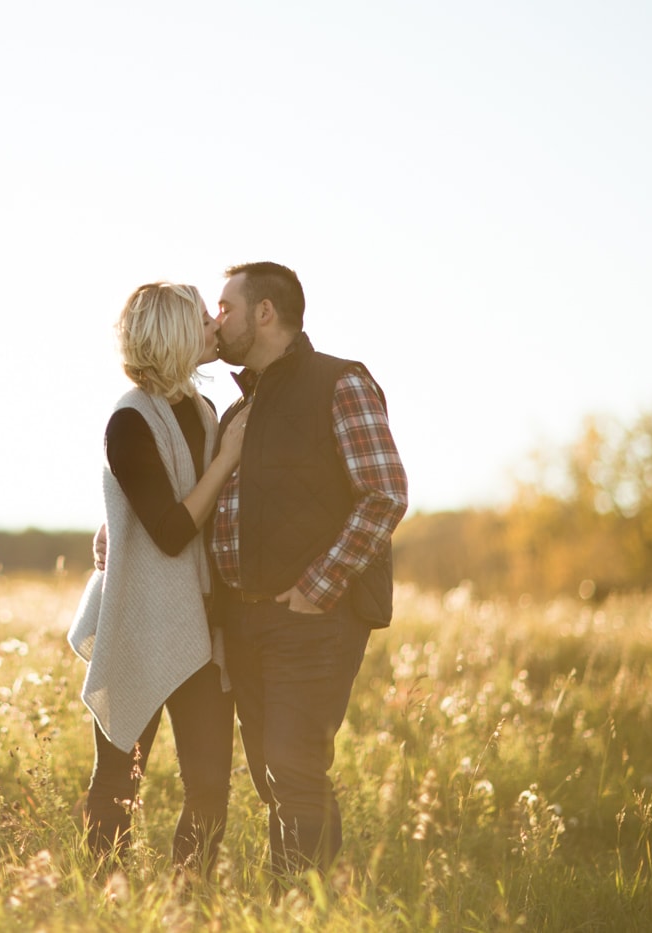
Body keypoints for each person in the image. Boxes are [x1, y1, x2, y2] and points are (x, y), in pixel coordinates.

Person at [209, 261, 408, 883]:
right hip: (245, 623)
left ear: (265, 312)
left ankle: (296, 911)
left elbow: (385, 493)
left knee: (295, 771)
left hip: (314, 620)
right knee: (277, 778)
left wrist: (316, 590)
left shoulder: (340, 382)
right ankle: (303, 903)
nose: (218, 322)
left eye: (226, 307)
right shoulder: (239, 408)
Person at [68, 281, 249, 877]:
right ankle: (106, 899)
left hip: (201, 622)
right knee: (120, 779)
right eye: (203, 320)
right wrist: (227, 459)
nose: (215, 327)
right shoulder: (128, 421)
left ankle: (187, 899)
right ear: (175, 334)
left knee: (210, 787)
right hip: (138, 619)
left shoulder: (202, 411)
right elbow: (170, 532)